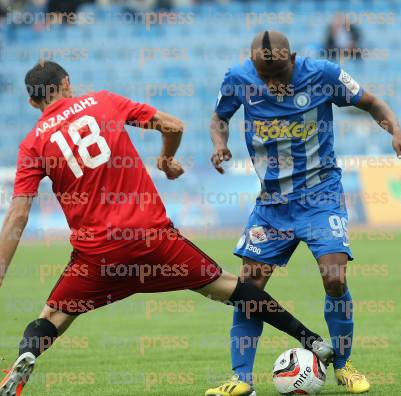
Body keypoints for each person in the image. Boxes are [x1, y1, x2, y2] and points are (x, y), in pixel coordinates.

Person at [0, 60, 333, 396]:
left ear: (32, 102)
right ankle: (313, 341)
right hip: (153, 239)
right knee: (231, 288)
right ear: (67, 83)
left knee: (55, 314)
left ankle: (28, 353)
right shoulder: (103, 101)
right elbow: (173, 125)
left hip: (98, 255)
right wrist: (165, 160)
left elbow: (18, 214)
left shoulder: (32, 144)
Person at [206, 31, 401, 395]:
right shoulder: (238, 78)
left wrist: (396, 132)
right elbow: (218, 117)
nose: (272, 84)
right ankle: (240, 379)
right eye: (264, 77)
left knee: (334, 277)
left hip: (321, 195)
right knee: (249, 287)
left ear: (295, 59)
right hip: (272, 203)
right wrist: (220, 144)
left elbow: (373, 103)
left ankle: (345, 365)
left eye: (279, 76)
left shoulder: (324, 74)